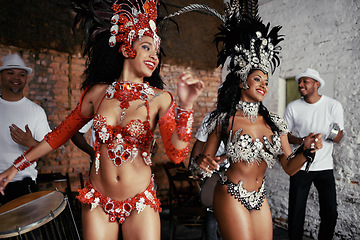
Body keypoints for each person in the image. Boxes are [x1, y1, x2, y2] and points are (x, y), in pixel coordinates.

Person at [0, 0, 204, 239]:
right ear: (128, 48)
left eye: (157, 52)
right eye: (147, 47)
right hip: (97, 200)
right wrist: (16, 166)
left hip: (140, 200)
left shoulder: (160, 99)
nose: (155, 56)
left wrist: (186, 106)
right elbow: (59, 135)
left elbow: (177, 154)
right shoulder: (96, 94)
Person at [178, 1, 323, 239]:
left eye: (266, 81)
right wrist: (201, 163)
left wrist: (306, 151)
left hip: (259, 197)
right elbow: (197, 167)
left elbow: (289, 167)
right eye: (258, 79)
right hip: (230, 193)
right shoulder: (224, 120)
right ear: (242, 81)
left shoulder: (275, 122)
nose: (264, 85)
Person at [284, 68, 344, 240]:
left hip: (325, 167)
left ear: (316, 84)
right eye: (299, 82)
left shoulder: (333, 105)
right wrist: (303, 140)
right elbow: (285, 135)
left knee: (330, 212)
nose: (300, 85)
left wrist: (332, 136)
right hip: (301, 166)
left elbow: (338, 135)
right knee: (296, 213)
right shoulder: (293, 107)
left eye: (305, 81)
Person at [0, 53, 51, 204]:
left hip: (23, 184)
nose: (16, 78)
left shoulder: (36, 111)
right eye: (10, 73)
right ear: (1, 76)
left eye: (21, 75)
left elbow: (48, 149)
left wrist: (30, 142)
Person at [189, 113, 228, 240]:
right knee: (212, 213)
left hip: (235, 172)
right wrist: (195, 166)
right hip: (213, 172)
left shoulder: (248, 117)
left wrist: (226, 157)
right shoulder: (212, 117)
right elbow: (199, 145)